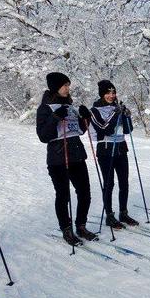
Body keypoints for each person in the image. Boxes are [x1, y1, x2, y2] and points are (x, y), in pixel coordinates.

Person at [36, 72, 97, 246]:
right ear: (55, 87)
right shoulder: (45, 108)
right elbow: (43, 135)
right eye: (64, 85)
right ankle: (66, 229)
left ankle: (81, 226)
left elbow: (79, 129)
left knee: (85, 193)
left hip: (77, 155)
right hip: (58, 158)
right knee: (63, 195)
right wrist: (55, 117)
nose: (67, 88)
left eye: (68, 85)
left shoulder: (71, 106)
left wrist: (86, 118)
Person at [89, 80, 138, 228]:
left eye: (113, 92)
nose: (111, 95)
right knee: (109, 183)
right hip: (105, 150)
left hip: (121, 148)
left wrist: (127, 116)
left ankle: (123, 212)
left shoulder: (118, 108)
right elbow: (105, 129)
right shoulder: (95, 110)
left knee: (124, 182)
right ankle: (109, 215)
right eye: (108, 92)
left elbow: (128, 129)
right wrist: (116, 114)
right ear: (102, 94)